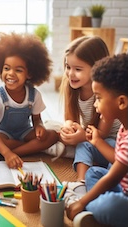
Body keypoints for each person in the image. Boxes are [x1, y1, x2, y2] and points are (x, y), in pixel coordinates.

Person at [66, 53, 128, 227]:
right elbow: (116, 164)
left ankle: (91, 210)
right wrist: (97, 141)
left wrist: (81, 202)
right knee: (93, 173)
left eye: (99, 98)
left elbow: (112, 179)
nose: (95, 104)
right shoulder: (124, 126)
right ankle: (93, 207)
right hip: (123, 188)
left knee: (108, 206)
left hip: (122, 195)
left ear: (121, 102)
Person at [0, 32, 60, 169]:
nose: (11, 74)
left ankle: (14, 153)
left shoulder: (34, 95)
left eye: (18, 70)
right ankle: (30, 149)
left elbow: (37, 119)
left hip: (25, 132)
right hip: (5, 135)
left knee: (53, 135)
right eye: (6, 68)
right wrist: (6, 150)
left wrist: (40, 127)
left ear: (30, 74)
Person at [59, 36, 121, 192]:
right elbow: (70, 119)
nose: (70, 74)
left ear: (96, 69)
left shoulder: (103, 93)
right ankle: (81, 182)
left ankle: (109, 180)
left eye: (78, 69)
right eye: (68, 67)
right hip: (94, 138)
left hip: (113, 142)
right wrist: (68, 127)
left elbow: (103, 133)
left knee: (86, 144)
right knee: (81, 145)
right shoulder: (71, 86)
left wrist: (81, 136)